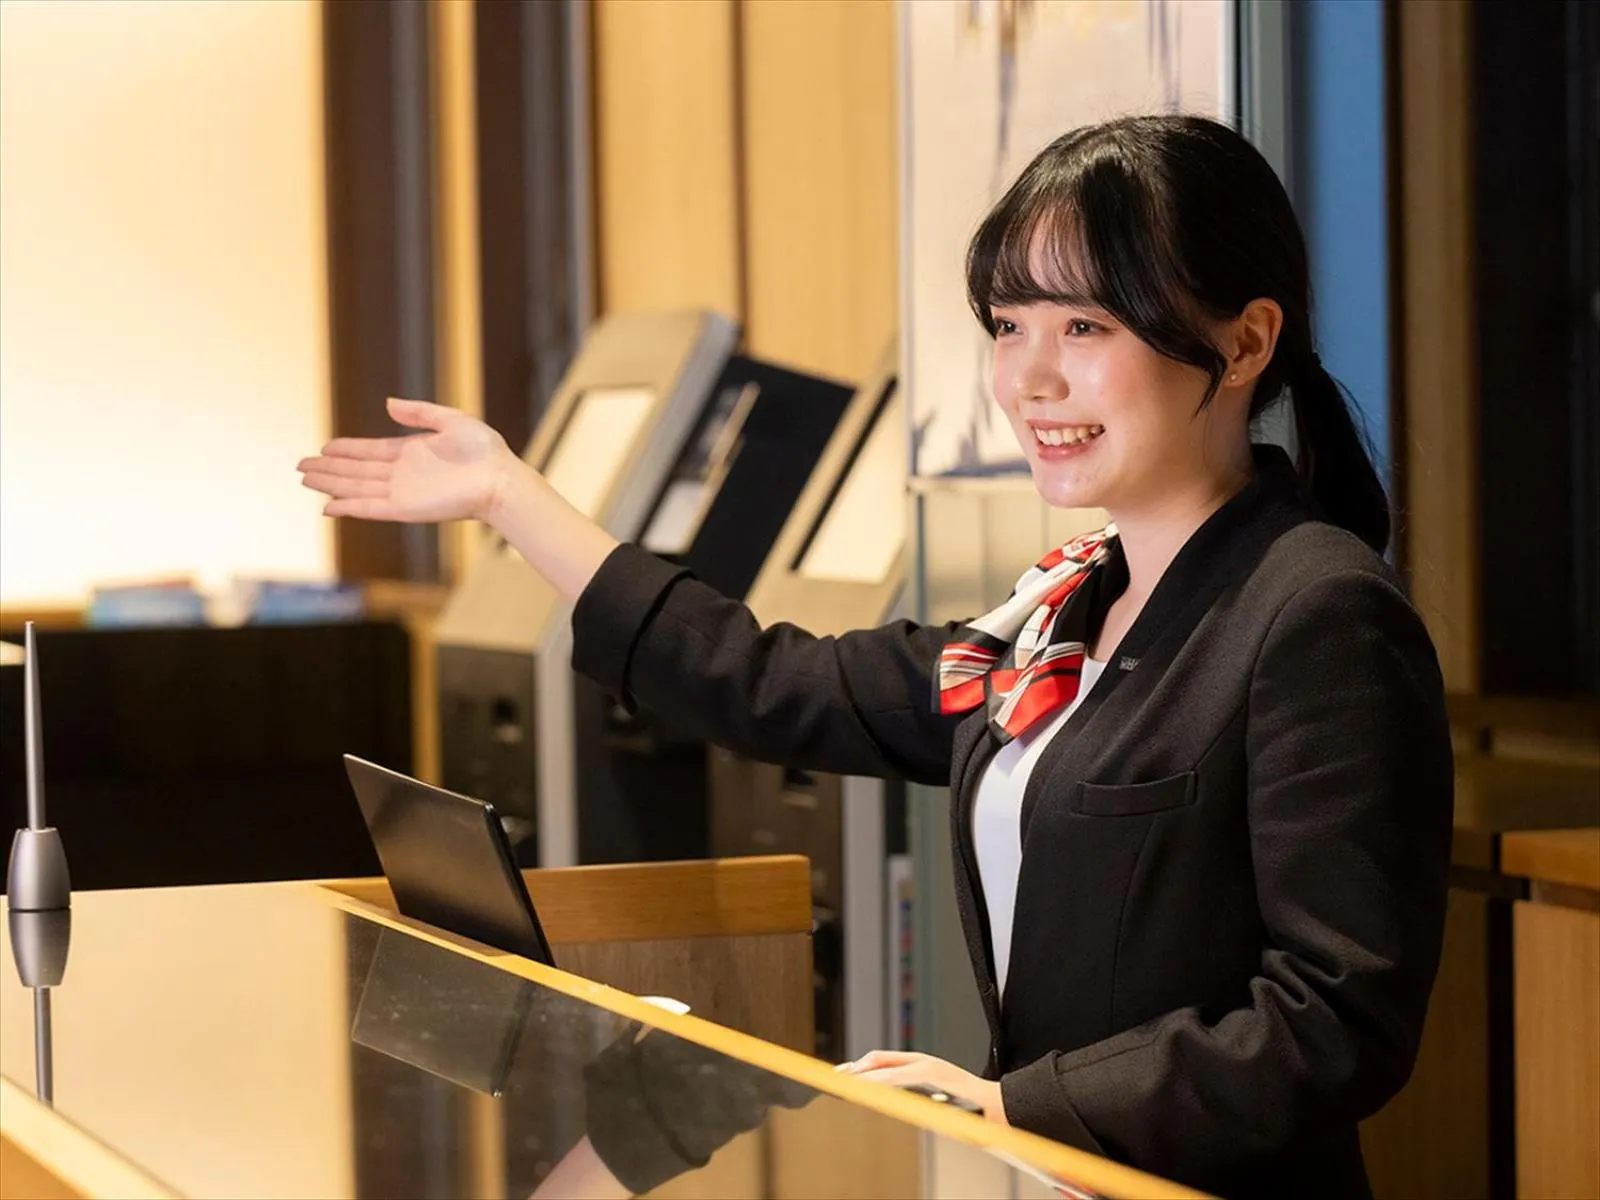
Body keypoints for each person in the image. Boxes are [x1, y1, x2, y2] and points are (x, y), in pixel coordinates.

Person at [299, 114, 1453, 1199]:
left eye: (1086, 327)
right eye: (1009, 327)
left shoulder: (1316, 612)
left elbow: (1333, 1020)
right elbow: (774, 682)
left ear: (1245, 340)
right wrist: (512, 496)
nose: (1029, 378)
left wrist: (1013, 1108)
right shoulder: (1064, 605)